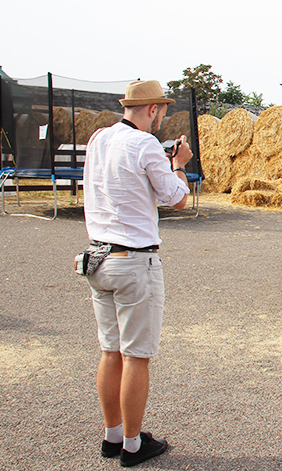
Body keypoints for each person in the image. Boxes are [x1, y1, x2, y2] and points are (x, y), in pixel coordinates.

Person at [83, 80, 191, 467]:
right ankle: (132, 445)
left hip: (99, 257)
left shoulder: (98, 139)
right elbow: (177, 199)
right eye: (162, 110)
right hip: (134, 261)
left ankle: (112, 436)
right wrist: (178, 165)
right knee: (136, 357)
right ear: (152, 109)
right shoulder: (145, 144)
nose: (162, 117)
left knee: (110, 351)